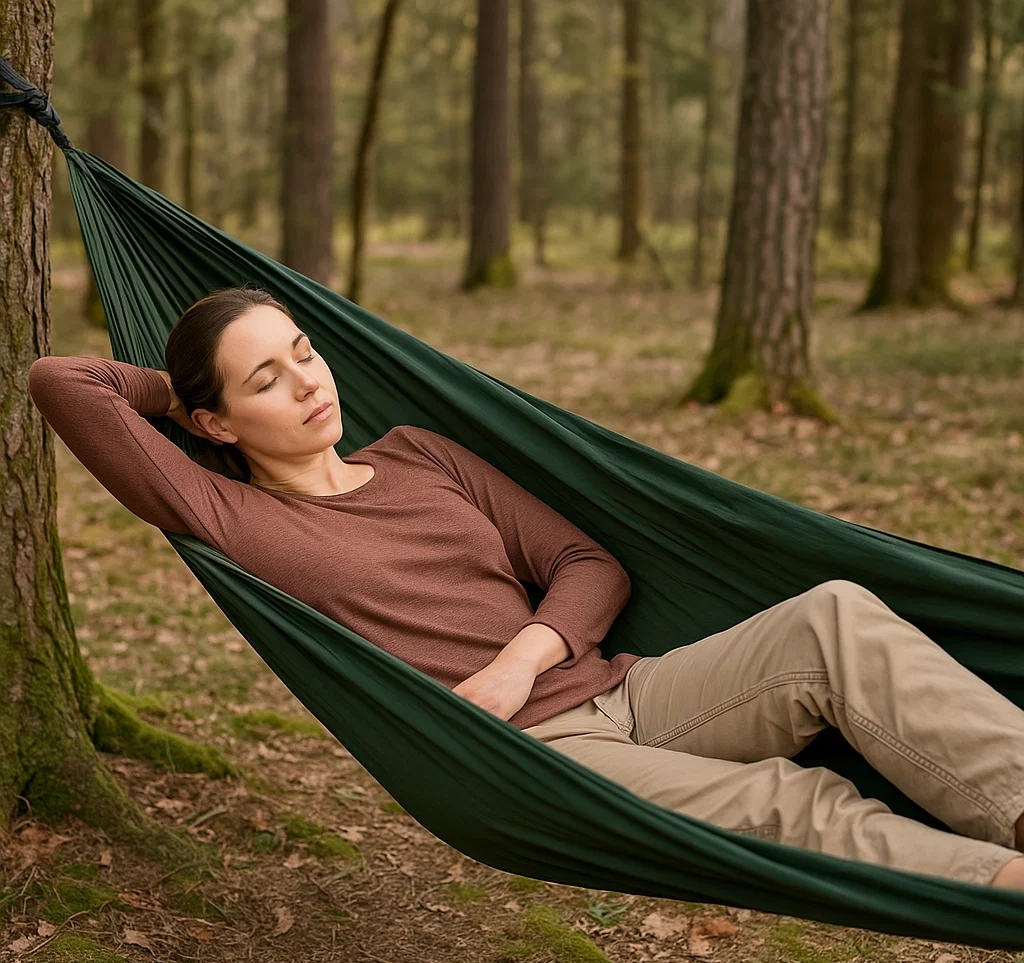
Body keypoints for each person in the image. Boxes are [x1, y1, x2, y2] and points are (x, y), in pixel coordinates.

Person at [27, 286, 1024, 891]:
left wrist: (522, 657)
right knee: (789, 803)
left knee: (834, 617)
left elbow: (591, 565)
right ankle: (996, 885)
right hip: (531, 761)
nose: (307, 382)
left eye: (305, 352)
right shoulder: (232, 515)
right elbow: (64, 383)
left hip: (624, 690)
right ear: (214, 427)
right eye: (264, 382)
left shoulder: (416, 453)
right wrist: (182, 392)